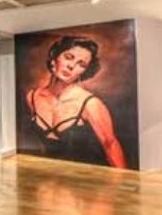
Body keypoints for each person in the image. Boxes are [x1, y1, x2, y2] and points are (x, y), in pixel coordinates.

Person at [25, 35, 126, 168]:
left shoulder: (90, 104)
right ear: (54, 58)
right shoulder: (33, 97)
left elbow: (111, 145)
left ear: (84, 72)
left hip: (88, 175)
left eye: (81, 64)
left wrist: (121, 179)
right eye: (68, 57)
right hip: (52, 174)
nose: (71, 66)